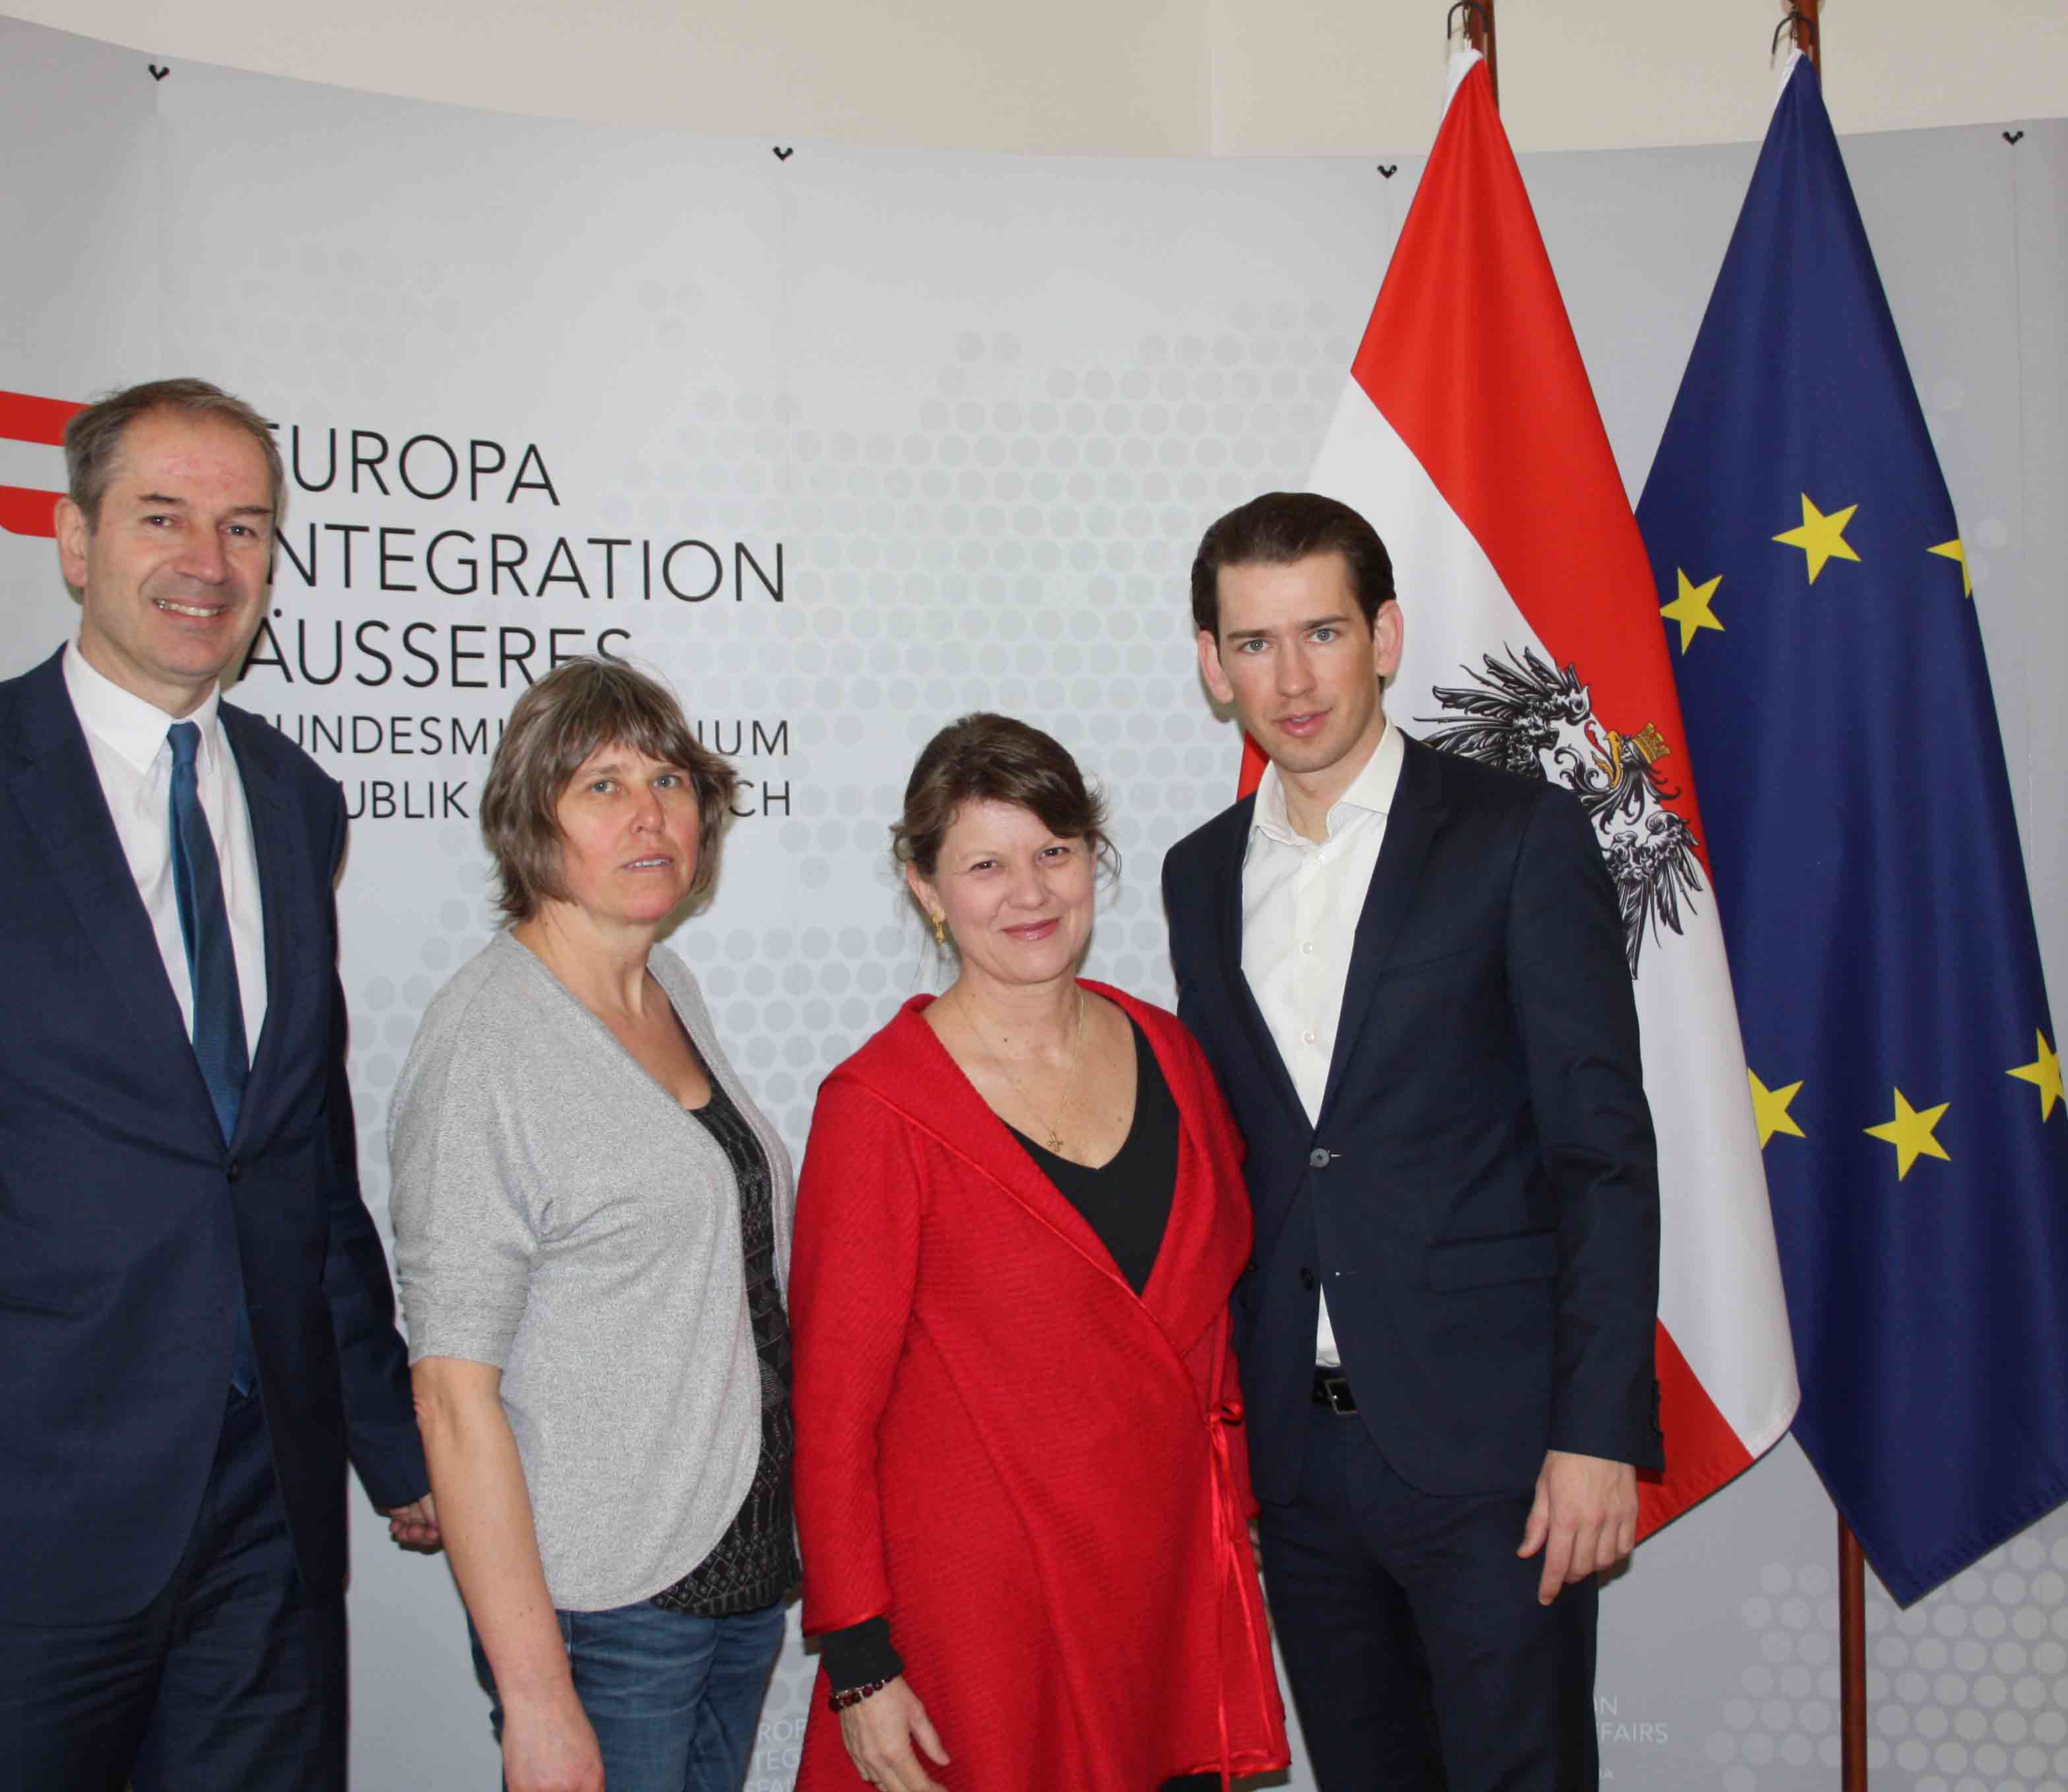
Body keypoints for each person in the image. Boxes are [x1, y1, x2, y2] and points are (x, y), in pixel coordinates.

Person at [0, 378, 435, 1789]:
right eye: (163, 516)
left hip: (262, 1526)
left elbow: (293, 1160)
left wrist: (389, 1431)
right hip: (4, 1528)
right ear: (71, 538)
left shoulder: (294, 801)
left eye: (245, 527)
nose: (208, 564)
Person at [1162, 492, 1662, 1791]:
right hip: (1304, 1457)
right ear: (1214, 664)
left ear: (1384, 633)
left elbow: (1602, 1150)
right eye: (1255, 642)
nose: (1293, 675)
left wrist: (1598, 1426)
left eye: (1321, 631)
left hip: (1498, 1453)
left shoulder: (1517, 836)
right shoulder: (1196, 874)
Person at [789, 713, 1287, 1792]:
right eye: (985, 864)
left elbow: (1217, 1339)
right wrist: (862, 1665)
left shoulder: (1172, 1051)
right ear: (926, 887)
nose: (1031, 892)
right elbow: (832, 1418)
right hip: (978, 1631)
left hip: (1162, 1602)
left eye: (1055, 851)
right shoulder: (881, 1108)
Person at [390, 656, 795, 1792]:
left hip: (739, 1566)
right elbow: (450, 1394)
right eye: (603, 786)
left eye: (669, 781)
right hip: (607, 1605)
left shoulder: (667, 990)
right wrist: (535, 1698)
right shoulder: (486, 1042)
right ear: (532, 823)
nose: (651, 814)